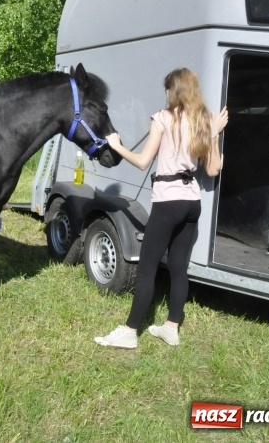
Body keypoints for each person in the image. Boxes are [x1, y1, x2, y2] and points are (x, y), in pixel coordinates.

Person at [94, 68, 228, 348]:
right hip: (192, 203)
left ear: (174, 90)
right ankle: (171, 327)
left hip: (167, 201)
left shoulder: (163, 118)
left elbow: (143, 162)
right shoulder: (203, 121)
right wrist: (214, 133)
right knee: (179, 268)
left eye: (167, 89)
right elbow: (214, 170)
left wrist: (117, 146)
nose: (165, 94)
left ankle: (130, 332)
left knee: (147, 268)